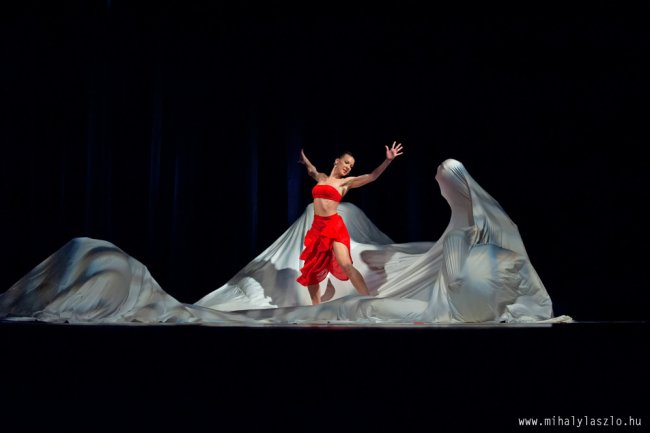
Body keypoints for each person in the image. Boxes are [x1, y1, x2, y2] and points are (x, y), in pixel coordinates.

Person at [296, 141, 404, 304]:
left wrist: (388, 160)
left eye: (351, 166)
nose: (348, 167)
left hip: (334, 226)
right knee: (312, 269)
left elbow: (372, 176)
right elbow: (312, 171)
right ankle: (315, 308)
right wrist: (305, 160)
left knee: (345, 264)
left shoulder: (345, 183)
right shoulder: (322, 178)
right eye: (346, 162)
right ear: (336, 161)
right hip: (317, 228)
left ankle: (368, 301)